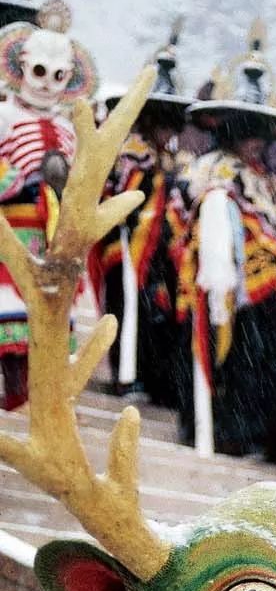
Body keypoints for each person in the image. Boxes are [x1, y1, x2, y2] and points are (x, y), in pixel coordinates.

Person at [172, 20, 276, 461]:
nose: (254, 143)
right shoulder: (211, 168)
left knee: (271, 363)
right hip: (231, 286)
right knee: (234, 359)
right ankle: (231, 429)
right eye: (247, 132)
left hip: (274, 295)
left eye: (260, 134)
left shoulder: (270, 183)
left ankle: (270, 433)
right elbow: (196, 217)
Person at [0, 0, 97, 409]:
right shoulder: (3, 116)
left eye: (57, 75)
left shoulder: (68, 127)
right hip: (9, 231)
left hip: (52, 237)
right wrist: (20, 181)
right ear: (21, 67)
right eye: (39, 71)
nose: (45, 83)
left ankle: (30, 402)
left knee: (42, 329)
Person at [97, 23, 190, 404]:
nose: (167, 130)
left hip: (159, 253)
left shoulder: (171, 158)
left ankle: (151, 375)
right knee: (126, 311)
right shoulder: (131, 149)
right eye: (162, 121)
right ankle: (126, 373)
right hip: (127, 244)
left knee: (156, 314)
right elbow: (123, 194)